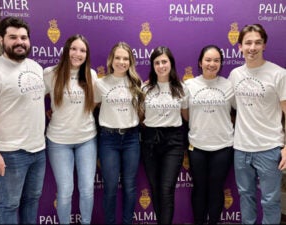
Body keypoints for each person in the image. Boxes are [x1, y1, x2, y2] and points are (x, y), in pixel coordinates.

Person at [0, 17, 46, 224]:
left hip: (38, 150)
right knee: (10, 205)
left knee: (32, 201)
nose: (19, 42)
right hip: (10, 153)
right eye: (13, 37)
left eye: (23, 37)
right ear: (1, 40)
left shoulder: (36, 67)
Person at [228, 24, 286, 224]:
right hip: (241, 148)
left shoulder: (279, 74)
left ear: (264, 45)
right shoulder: (235, 74)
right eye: (248, 43)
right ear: (240, 47)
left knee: (270, 201)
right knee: (246, 197)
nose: (252, 47)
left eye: (257, 42)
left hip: (269, 148)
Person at [43, 34, 97, 224]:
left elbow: (105, 99)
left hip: (87, 139)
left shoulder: (91, 75)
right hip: (59, 142)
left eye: (82, 50)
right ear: (66, 50)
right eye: (74, 48)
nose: (77, 53)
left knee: (87, 188)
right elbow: (30, 100)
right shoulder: (51, 73)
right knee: (65, 190)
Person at [94, 41, 144, 224]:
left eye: (125, 58)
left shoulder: (136, 82)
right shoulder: (100, 83)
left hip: (131, 138)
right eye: (118, 58)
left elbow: (140, 110)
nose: (121, 62)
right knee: (110, 186)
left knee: (130, 186)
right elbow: (90, 106)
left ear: (130, 62)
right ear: (111, 60)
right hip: (109, 139)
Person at [184, 45, 235, 225]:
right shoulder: (189, 85)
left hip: (223, 146)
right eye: (208, 60)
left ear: (221, 63)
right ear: (200, 62)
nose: (212, 64)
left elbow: (239, 111)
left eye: (216, 60)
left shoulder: (229, 85)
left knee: (216, 189)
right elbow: (185, 113)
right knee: (199, 188)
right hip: (197, 146)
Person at [140, 46, 187, 224]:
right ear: (153, 65)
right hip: (150, 141)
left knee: (167, 189)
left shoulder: (181, 88)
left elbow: (187, 116)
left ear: (171, 63)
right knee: (155, 188)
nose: (161, 65)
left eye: (164, 61)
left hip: (173, 141)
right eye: (157, 62)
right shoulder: (145, 88)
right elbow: (141, 116)